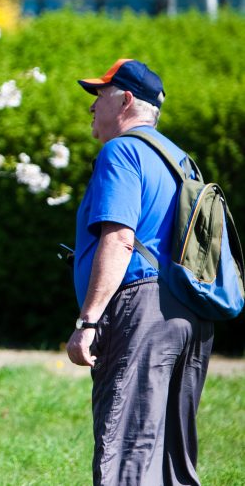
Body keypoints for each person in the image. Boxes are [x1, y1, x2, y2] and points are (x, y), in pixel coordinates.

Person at [66, 58, 213, 486]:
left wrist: (87, 321)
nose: (92, 107)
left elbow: (119, 238)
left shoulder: (122, 151)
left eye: (100, 95)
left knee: (127, 450)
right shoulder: (181, 160)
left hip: (141, 310)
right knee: (171, 460)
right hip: (190, 313)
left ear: (126, 99)